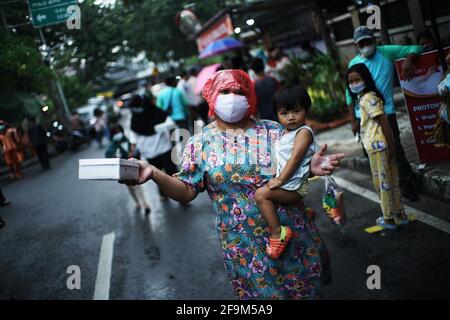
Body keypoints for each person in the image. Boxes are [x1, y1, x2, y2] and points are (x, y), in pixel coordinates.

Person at [120, 70, 344, 299]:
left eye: (238, 91)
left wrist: (311, 166)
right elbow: (186, 191)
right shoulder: (200, 143)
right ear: (212, 96)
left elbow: (296, 170)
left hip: (293, 236)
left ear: (249, 95)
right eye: (224, 91)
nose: (232, 97)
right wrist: (155, 173)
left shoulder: (274, 131)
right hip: (245, 248)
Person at [346, 26, 423, 201]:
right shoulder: (354, 64)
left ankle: (406, 185)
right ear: (357, 45)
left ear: (374, 40)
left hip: (385, 113)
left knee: (395, 148)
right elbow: (349, 94)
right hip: (362, 117)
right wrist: (352, 120)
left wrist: (409, 59)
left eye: (368, 41)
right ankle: (386, 187)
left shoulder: (387, 53)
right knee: (371, 153)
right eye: (361, 43)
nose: (365, 45)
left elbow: (417, 48)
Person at [254, 86, 318, 259]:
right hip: (291, 184)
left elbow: (296, 157)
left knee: (261, 195)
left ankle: (278, 233)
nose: (291, 117)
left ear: (306, 109)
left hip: (294, 186)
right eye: (284, 113)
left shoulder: (303, 132)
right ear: (277, 114)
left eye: (296, 111)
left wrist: (280, 180)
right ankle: (305, 212)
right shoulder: (285, 133)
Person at [347, 63, 409, 229]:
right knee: (391, 180)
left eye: (356, 80)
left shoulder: (368, 98)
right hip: (380, 145)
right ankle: (400, 214)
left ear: (365, 79)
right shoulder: (368, 97)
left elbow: (384, 121)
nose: (353, 84)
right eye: (350, 81)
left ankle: (388, 217)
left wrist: (392, 144)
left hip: (377, 147)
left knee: (382, 183)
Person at [128, 93, 178, 201]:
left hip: (164, 147)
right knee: (156, 174)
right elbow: (133, 134)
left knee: (171, 171)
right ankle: (163, 193)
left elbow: (169, 121)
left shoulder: (157, 112)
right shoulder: (135, 118)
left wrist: (166, 126)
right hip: (148, 151)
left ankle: (179, 192)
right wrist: (132, 147)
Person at [105, 124, 151, 215]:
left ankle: (144, 204)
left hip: (131, 167)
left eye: (119, 131)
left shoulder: (126, 140)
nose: (118, 134)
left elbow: (134, 149)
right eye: (115, 132)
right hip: (121, 170)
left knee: (137, 186)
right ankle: (137, 202)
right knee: (129, 186)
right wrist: (115, 156)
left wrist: (132, 151)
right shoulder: (113, 145)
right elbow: (108, 155)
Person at [250, 57, 279, 121]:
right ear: (263, 67)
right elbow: (279, 94)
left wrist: (254, 114)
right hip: (277, 111)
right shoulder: (273, 79)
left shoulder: (254, 84)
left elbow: (255, 102)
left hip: (264, 115)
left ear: (254, 71)